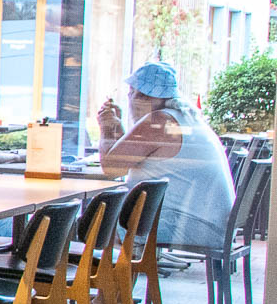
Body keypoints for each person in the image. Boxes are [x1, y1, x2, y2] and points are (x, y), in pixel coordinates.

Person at [97, 60, 234, 250]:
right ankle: (126, 274)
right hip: (209, 225)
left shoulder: (159, 121)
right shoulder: (183, 116)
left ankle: (108, 278)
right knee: (105, 220)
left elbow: (111, 168)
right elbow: (128, 157)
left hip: (193, 227)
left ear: (143, 96)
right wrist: (116, 127)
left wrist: (105, 128)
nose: (130, 100)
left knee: (97, 225)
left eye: (132, 94)